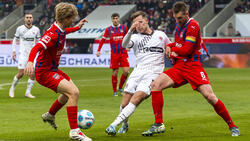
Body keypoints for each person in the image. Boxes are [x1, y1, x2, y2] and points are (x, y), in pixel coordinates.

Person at [142, 1, 240, 137]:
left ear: (187, 14)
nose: (177, 20)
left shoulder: (193, 25)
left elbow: (187, 49)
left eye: (180, 18)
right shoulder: (179, 26)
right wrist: (170, 46)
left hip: (193, 66)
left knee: (210, 96)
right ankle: (158, 124)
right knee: (156, 85)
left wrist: (173, 49)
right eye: (176, 18)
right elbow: (178, 44)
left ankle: (232, 125)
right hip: (180, 66)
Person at [24, 2, 91, 141]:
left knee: (68, 94)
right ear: (65, 18)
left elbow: (65, 31)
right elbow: (37, 47)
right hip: (44, 73)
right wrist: (30, 61)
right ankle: (74, 131)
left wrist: (76, 28)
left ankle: (50, 115)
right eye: (72, 18)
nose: (73, 20)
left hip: (53, 69)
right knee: (74, 92)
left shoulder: (60, 29)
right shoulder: (53, 34)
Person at [105, 11, 171, 136]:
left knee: (137, 97)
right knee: (124, 104)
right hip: (137, 71)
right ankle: (125, 124)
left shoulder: (160, 35)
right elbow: (124, 44)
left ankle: (113, 124)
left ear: (147, 20)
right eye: (136, 23)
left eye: (140, 22)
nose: (139, 25)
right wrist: (130, 30)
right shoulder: (135, 37)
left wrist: (169, 47)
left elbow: (170, 45)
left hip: (153, 73)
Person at [96, 13, 129, 96]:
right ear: (111, 20)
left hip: (123, 52)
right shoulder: (108, 29)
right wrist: (99, 50)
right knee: (115, 72)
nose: (115, 20)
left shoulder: (124, 27)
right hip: (114, 54)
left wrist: (128, 45)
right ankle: (115, 91)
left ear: (119, 19)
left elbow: (128, 37)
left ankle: (120, 87)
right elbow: (103, 40)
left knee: (126, 71)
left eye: (116, 18)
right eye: (113, 18)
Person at [9, 13, 41, 98]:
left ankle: (27, 92)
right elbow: (15, 40)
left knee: (32, 73)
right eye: (27, 17)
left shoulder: (36, 29)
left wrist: (40, 51)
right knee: (21, 74)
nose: (29, 19)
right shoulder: (20, 29)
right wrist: (14, 51)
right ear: (24, 19)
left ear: (32, 19)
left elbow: (39, 41)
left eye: (30, 17)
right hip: (23, 54)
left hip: (32, 55)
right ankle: (12, 88)